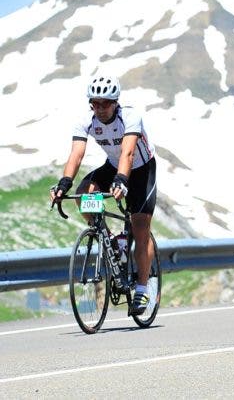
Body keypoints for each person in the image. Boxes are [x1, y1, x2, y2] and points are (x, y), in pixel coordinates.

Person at [50, 75, 158, 315]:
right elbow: (76, 154)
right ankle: (109, 238)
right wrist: (63, 184)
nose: (99, 109)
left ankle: (142, 289)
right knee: (82, 195)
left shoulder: (130, 116)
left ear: (115, 102)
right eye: (94, 103)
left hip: (141, 169)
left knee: (140, 227)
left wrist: (121, 181)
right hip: (112, 165)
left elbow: (128, 153)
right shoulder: (85, 121)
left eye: (104, 103)